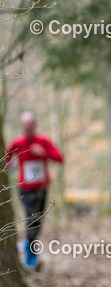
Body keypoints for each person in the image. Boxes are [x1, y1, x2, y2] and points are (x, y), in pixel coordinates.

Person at [6, 111, 63, 269]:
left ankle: (28, 248)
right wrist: (10, 166)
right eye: (25, 123)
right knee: (30, 219)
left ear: (35, 124)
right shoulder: (17, 143)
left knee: (37, 222)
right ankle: (30, 258)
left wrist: (44, 153)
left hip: (42, 188)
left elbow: (60, 158)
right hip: (24, 188)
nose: (28, 126)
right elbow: (6, 158)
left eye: (30, 123)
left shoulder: (43, 141)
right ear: (21, 126)